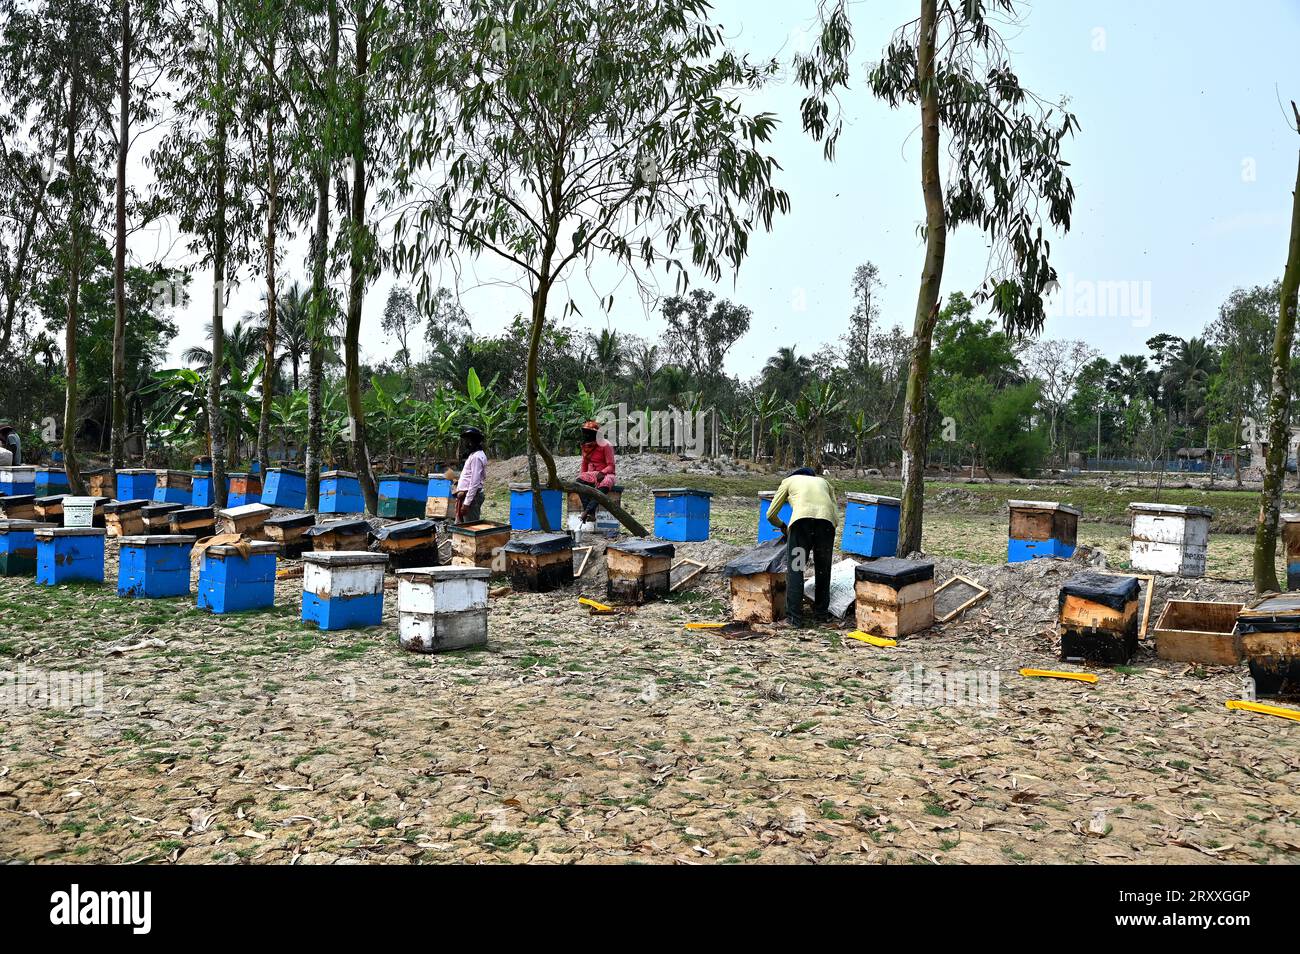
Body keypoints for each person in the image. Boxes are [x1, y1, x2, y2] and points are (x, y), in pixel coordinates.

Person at [766, 467, 838, 627]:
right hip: (826, 525)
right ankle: (821, 616)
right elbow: (835, 515)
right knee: (823, 570)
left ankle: (794, 619)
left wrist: (783, 526)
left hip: (801, 525)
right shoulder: (824, 482)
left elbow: (770, 514)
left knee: (796, 569)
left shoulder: (789, 481)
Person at [576, 419, 616, 521]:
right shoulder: (585, 446)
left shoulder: (606, 445)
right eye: (586, 433)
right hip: (592, 474)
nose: (587, 435)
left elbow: (611, 466)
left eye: (589, 433)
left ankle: (587, 511)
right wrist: (583, 479)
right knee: (579, 481)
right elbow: (584, 463)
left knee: (606, 482)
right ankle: (590, 513)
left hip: (606, 474)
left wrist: (602, 473)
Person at [454, 427, 487, 523]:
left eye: (467, 440)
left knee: (470, 527)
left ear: (472, 441)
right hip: (466, 496)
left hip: (472, 498)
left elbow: (474, 482)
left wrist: (467, 503)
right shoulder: (473, 455)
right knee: (461, 527)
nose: (465, 443)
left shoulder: (477, 457)